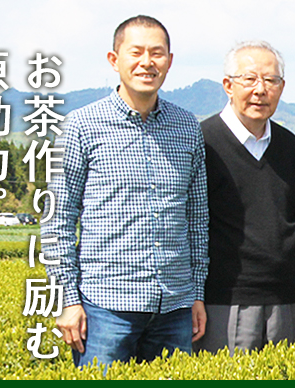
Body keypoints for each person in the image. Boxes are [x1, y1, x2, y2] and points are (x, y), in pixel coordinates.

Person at [42, 15, 208, 368]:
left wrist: (196, 294)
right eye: (136, 52)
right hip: (105, 308)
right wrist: (67, 301)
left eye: (157, 53)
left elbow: (197, 220)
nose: (147, 62)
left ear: (170, 61)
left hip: (175, 307)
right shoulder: (81, 126)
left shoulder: (187, 127)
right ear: (114, 60)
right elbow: (56, 222)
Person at [195, 40, 295, 354]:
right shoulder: (204, 141)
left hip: (286, 298)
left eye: (270, 80)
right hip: (225, 299)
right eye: (250, 79)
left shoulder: (288, 144)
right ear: (228, 85)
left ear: (281, 88)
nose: (260, 89)